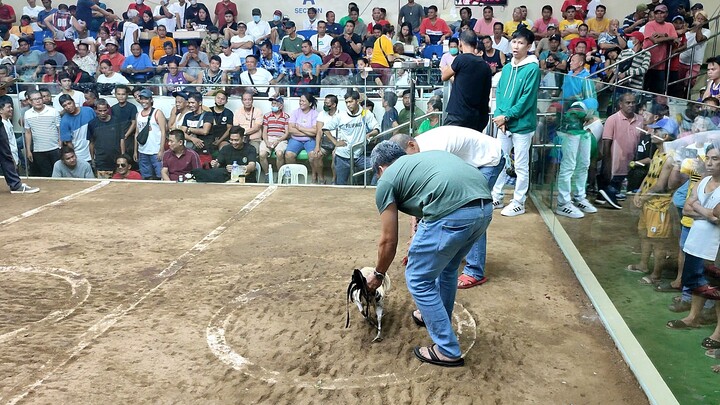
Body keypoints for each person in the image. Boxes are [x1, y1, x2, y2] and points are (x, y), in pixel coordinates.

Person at [367, 140, 493, 367]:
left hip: (451, 212)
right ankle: (432, 315)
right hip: (484, 209)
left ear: (380, 169)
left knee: (417, 278)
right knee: (448, 268)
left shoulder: (386, 178)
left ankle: (447, 349)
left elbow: (388, 240)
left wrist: (378, 274)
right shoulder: (423, 160)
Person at [391, 126, 503, 288]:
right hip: (468, 166)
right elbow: (422, 201)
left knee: (473, 208)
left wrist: (418, 241)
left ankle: (475, 271)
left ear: (411, 145)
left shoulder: (433, 149)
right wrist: (416, 242)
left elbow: (437, 198)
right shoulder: (420, 151)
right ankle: (445, 253)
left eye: (405, 159)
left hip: (488, 160)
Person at [666, 144, 720, 329]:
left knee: (714, 286)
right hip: (698, 240)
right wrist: (707, 213)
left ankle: (717, 330)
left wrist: (698, 208)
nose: (710, 163)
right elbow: (687, 208)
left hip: (715, 244)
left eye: (715, 159)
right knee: (697, 280)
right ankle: (692, 317)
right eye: (709, 158)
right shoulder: (703, 181)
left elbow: (717, 217)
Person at [491, 29, 540, 217]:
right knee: (499, 160)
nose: (516, 46)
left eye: (521, 43)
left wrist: (507, 116)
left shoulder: (532, 68)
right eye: (514, 42)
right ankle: (496, 195)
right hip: (504, 123)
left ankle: (519, 202)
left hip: (522, 125)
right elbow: (500, 93)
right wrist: (499, 116)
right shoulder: (507, 67)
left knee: (520, 165)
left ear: (528, 46)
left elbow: (526, 99)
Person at [629, 117, 678, 284]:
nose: (652, 133)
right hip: (648, 201)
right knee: (644, 235)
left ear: (665, 136)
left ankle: (656, 275)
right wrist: (639, 193)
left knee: (658, 242)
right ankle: (643, 264)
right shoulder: (658, 152)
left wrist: (643, 196)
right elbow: (649, 176)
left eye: (657, 131)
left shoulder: (670, 157)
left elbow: (661, 185)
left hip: (659, 205)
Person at [321, 91, 379, 185]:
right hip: (342, 156)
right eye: (346, 102)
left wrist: (369, 135)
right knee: (341, 185)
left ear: (357, 101)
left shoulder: (365, 113)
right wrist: (335, 142)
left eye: (351, 102)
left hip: (359, 156)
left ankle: (372, 190)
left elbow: (377, 129)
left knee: (378, 167)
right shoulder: (341, 115)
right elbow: (325, 128)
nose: (348, 104)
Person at [598, 92, 643, 209]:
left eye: (633, 103)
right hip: (615, 162)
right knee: (613, 183)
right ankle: (607, 194)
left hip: (632, 161)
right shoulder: (612, 119)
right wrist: (607, 164)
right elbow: (606, 143)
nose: (631, 105)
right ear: (620, 104)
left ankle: (606, 195)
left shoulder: (641, 120)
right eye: (628, 103)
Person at [555, 101, 599, 219]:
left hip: (583, 131)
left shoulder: (589, 98)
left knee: (584, 164)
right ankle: (563, 203)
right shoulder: (576, 104)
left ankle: (579, 197)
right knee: (568, 166)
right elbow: (572, 112)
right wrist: (583, 115)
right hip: (571, 132)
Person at [442, 30, 492, 132]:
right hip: (478, 117)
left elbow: (444, 76)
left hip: (458, 115)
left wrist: (445, 70)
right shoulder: (485, 66)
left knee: (450, 146)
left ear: (460, 43)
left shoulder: (461, 59)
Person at [0, 99, 38, 193]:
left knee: (6, 156)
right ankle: (15, 185)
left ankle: (16, 184)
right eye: (8, 107)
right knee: (6, 156)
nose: (11, 109)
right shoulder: (3, 123)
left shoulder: (6, 122)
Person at [23, 89, 60, 177]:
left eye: (40, 98)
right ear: (29, 101)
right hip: (38, 150)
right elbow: (28, 133)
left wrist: (60, 145)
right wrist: (28, 150)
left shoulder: (53, 111)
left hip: (55, 148)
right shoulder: (27, 114)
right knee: (45, 175)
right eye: (35, 99)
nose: (38, 101)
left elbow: (60, 129)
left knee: (58, 174)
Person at [642, 4, 678, 94]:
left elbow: (676, 42)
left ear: (666, 14)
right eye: (657, 13)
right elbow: (655, 40)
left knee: (658, 92)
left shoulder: (670, 25)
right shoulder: (649, 24)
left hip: (661, 64)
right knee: (644, 90)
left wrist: (664, 36)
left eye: (661, 13)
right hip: (647, 63)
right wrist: (669, 37)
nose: (659, 15)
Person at [286, 92, 321, 179]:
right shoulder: (295, 112)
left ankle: (314, 175)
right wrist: (307, 132)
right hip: (295, 139)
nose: (301, 103)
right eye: (300, 101)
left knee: (313, 156)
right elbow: (290, 130)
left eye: (303, 101)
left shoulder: (315, 114)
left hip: (310, 140)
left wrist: (300, 128)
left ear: (310, 103)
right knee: (289, 155)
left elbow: (315, 132)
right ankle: (294, 175)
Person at [134, 88, 167, 179]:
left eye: (146, 98)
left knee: (160, 175)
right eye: (142, 98)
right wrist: (135, 151)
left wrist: (161, 149)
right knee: (146, 176)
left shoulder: (157, 113)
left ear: (151, 100)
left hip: (155, 150)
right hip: (142, 150)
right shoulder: (138, 114)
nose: (143, 101)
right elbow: (137, 133)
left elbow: (163, 132)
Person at [89, 98, 124, 178]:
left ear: (108, 109)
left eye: (105, 110)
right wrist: (92, 159)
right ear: (95, 110)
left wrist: (122, 156)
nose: (103, 113)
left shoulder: (116, 121)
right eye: (100, 111)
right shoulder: (92, 123)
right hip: (101, 160)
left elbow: (121, 139)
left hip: (116, 159)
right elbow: (91, 142)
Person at [59, 93, 95, 164]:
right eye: (64, 106)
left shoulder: (89, 111)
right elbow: (68, 143)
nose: (68, 107)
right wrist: (74, 156)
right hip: (79, 155)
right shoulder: (64, 121)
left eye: (69, 103)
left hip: (95, 151)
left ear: (73, 101)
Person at [259, 96, 289, 178]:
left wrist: (278, 140)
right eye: (272, 103)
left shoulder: (286, 117)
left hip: (281, 139)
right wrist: (266, 141)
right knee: (262, 154)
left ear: (281, 106)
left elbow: (286, 133)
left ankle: (280, 176)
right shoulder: (267, 116)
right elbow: (264, 131)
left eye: (275, 103)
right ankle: (267, 175)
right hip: (268, 138)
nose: (273, 105)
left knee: (279, 154)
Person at [111, 85, 137, 164]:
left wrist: (125, 135)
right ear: (115, 95)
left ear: (127, 95)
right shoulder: (113, 108)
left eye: (123, 94)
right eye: (118, 94)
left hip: (129, 139)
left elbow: (134, 123)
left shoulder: (132, 107)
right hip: (117, 139)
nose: (121, 96)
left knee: (129, 161)